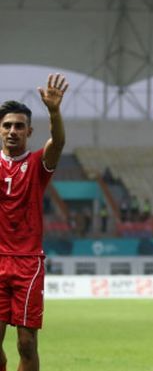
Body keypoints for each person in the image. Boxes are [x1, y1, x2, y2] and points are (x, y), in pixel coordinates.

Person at [0, 74, 69, 371]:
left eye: (18, 126)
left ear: (29, 130)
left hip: (28, 263)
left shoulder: (39, 164)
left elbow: (59, 142)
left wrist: (54, 111)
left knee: (26, 344)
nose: (12, 131)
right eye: (6, 126)